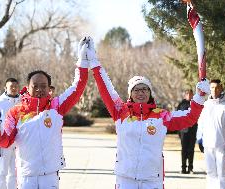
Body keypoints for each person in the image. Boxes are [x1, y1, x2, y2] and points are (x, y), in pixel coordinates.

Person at [84, 36, 210, 189]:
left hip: (152, 179)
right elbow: (106, 89)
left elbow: (189, 118)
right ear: (131, 94)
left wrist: (199, 97)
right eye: (136, 90)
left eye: (145, 89)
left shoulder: (161, 116)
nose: (141, 92)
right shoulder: (120, 112)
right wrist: (94, 63)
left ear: (150, 93)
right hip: (126, 178)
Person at [0, 37, 89, 189]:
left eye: (44, 86)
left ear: (49, 88)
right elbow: (5, 142)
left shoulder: (57, 106)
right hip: (26, 175)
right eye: (35, 86)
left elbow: (79, 86)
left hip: (50, 174)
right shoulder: (16, 112)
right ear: (28, 88)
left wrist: (83, 61)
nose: (40, 89)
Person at [197, 79, 225, 189]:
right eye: (212, 87)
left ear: (221, 88)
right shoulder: (205, 105)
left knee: (222, 172)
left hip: (222, 145)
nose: (214, 90)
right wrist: (200, 139)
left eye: (217, 87)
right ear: (210, 89)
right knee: (210, 172)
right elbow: (201, 123)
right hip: (208, 144)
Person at [0, 77, 20, 189]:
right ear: (5, 88)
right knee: (2, 172)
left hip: (18, 143)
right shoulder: (0, 103)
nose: (14, 88)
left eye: (16, 86)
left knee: (15, 172)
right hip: (3, 142)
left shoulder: (22, 102)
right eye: (11, 86)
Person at [177, 89, 198, 174]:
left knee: (191, 149)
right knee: (184, 150)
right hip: (183, 131)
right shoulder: (181, 104)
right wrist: (178, 131)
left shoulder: (195, 105)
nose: (189, 96)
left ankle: (190, 168)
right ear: (185, 95)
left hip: (193, 130)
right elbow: (177, 118)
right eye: (187, 94)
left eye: (190, 94)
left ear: (193, 95)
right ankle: (183, 168)